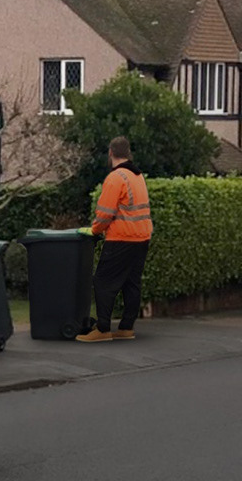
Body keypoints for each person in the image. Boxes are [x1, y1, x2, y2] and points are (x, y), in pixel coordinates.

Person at [75, 136, 153, 342]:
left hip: (122, 238)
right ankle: (126, 327)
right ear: (128, 153)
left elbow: (105, 213)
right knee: (131, 282)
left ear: (111, 153)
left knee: (102, 281)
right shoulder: (138, 176)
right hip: (142, 237)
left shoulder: (116, 178)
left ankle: (102, 329)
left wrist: (95, 230)